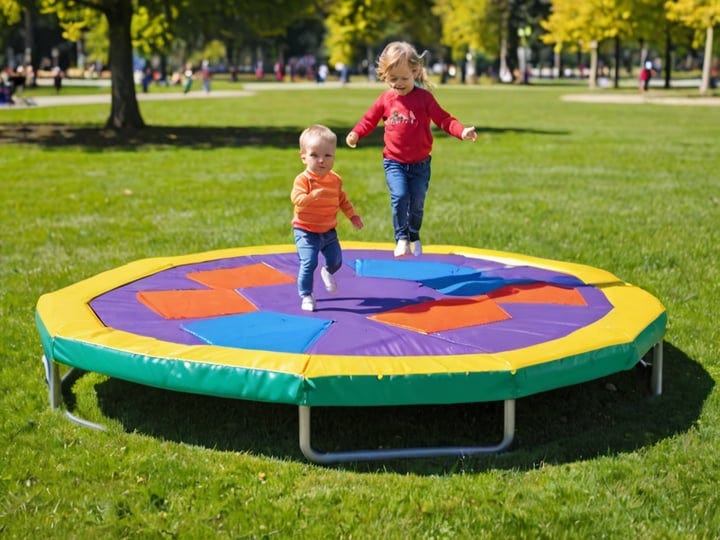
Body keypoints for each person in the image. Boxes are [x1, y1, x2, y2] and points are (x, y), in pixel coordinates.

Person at [345, 41, 477, 257]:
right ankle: (401, 238)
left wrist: (462, 132)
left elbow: (444, 119)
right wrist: (356, 133)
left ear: (415, 72)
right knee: (400, 196)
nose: (398, 84)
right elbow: (369, 119)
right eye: (392, 79)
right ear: (384, 76)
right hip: (394, 162)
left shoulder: (424, 98)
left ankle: (414, 234)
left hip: (420, 165)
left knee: (416, 203)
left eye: (404, 78)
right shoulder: (386, 99)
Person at [291, 125, 364, 312]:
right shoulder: (303, 180)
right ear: (303, 157)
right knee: (309, 262)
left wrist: (353, 216)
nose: (321, 160)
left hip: (328, 231)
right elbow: (296, 199)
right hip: (305, 230)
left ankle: (327, 271)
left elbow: (342, 200)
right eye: (314, 155)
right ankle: (306, 294)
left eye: (327, 156)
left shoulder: (335, 180)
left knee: (336, 261)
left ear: (334, 156)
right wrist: (312, 196)